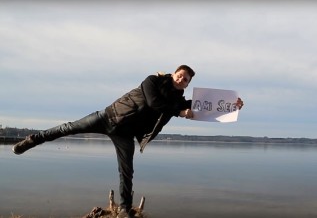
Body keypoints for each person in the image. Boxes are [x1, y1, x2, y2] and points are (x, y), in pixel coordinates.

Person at [12, 65, 244, 218]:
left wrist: (232, 104)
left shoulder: (178, 99)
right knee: (68, 128)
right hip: (107, 117)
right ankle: (33, 140)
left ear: (186, 84)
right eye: (180, 75)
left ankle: (124, 210)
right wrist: (181, 112)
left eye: (186, 80)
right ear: (174, 74)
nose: (182, 79)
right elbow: (154, 103)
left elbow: (196, 105)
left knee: (127, 172)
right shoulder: (152, 80)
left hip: (125, 133)